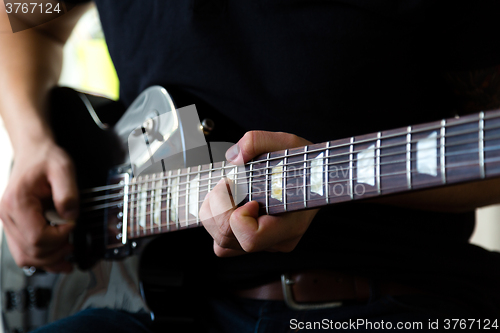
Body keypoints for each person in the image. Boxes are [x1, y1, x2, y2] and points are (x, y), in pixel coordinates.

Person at [1, 1, 500, 332]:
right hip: (144, 305)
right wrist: (30, 141)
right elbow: (22, 16)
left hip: (380, 301)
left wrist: (324, 186)